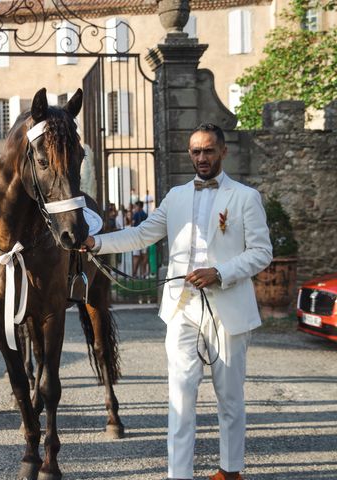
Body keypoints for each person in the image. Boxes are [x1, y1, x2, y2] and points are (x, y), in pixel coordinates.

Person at [82, 123, 272, 480]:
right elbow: (141, 234)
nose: (202, 157)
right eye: (196, 151)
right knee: (180, 397)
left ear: (223, 152)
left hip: (227, 310)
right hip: (182, 308)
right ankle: (178, 475)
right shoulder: (176, 196)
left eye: (208, 150)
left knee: (229, 398)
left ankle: (230, 472)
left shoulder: (245, 197)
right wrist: (97, 244)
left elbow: (262, 253)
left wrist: (220, 271)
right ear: (190, 154)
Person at [131, 201, 148, 277]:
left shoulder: (136, 214)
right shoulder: (145, 214)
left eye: (136, 206)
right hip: (145, 237)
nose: (135, 208)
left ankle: (134, 274)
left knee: (136, 256)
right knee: (144, 255)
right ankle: (143, 273)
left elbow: (133, 224)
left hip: (137, 237)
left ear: (139, 206)